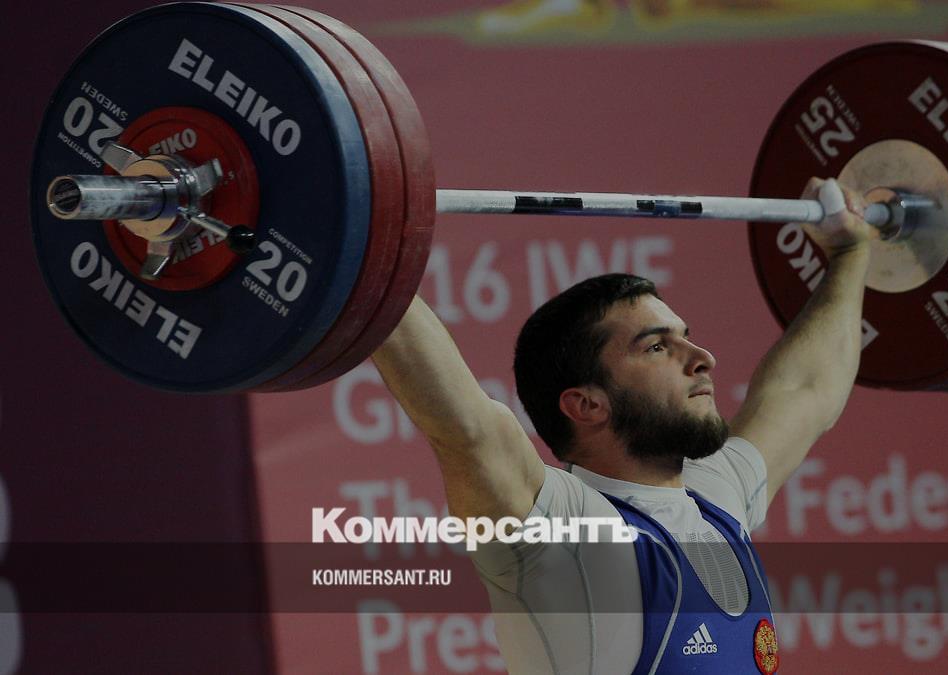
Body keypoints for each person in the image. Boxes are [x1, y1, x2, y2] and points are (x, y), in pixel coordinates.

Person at [371, 177, 876, 674]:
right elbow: (467, 429)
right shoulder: (567, 538)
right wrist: (364, 248)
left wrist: (851, 254)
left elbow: (804, 390)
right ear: (587, 405)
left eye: (685, 337)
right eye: (657, 347)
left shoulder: (716, 498)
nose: (702, 357)